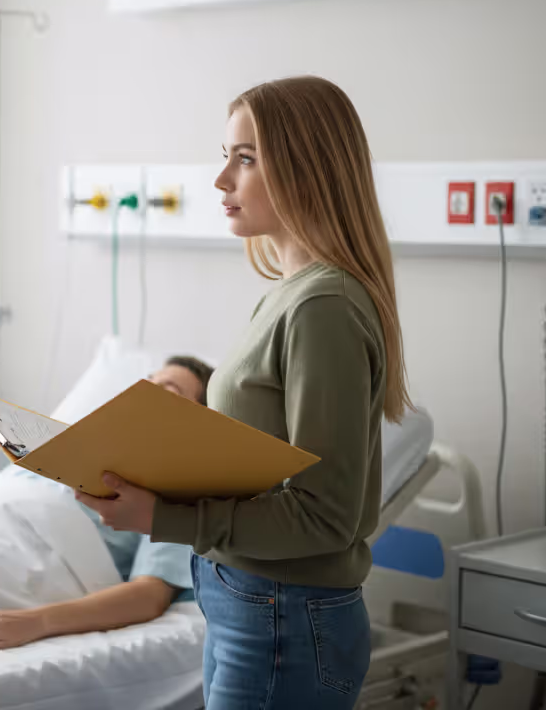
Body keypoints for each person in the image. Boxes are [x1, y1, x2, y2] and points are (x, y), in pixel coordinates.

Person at [77, 76, 411, 709]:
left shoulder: (324, 307)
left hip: (282, 615)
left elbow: (324, 515)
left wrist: (162, 517)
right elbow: (262, 469)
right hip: (250, 600)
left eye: (246, 158)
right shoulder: (290, 296)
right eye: (226, 155)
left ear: (308, 168)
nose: (221, 179)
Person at [0, 354, 215, 650]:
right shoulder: (77, 447)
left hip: (25, 556)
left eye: (167, 390)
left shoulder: (180, 486)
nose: (146, 391)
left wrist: (38, 622)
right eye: (148, 381)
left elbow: (149, 595)